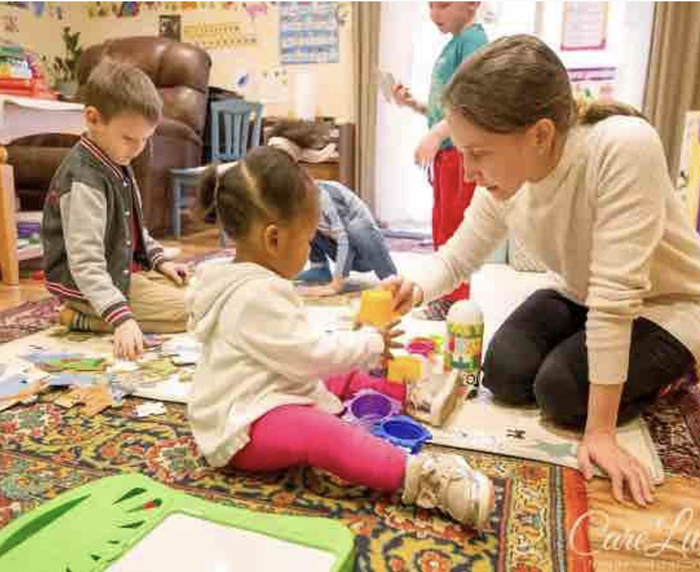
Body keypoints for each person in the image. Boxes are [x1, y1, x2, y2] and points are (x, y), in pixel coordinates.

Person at [384, 35, 700, 507]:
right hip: (581, 293)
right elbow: (458, 256)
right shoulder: (507, 178)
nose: (468, 173)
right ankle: (587, 363)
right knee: (504, 373)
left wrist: (600, 432)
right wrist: (412, 288)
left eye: (478, 154)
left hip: (666, 307)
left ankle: (677, 370)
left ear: (540, 134)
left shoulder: (622, 147)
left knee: (560, 392)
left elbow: (615, 297)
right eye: (463, 153)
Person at [186, 144, 494, 529]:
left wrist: (358, 343)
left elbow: (296, 351)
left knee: (341, 375)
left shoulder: (244, 280)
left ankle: (411, 395)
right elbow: (308, 356)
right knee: (322, 433)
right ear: (273, 239)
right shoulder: (255, 295)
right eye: (308, 239)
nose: (311, 249)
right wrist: (369, 344)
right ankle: (422, 479)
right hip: (243, 427)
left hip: (265, 387)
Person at [42, 59, 188, 360]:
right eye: (129, 138)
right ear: (93, 119)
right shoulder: (85, 179)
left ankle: (104, 311)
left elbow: (135, 230)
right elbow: (85, 263)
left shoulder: (116, 158)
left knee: (200, 291)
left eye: (145, 140)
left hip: (122, 272)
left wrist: (160, 262)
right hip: (88, 285)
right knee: (194, 311)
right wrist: (121, 319)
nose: (137, 149)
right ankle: (81, 317)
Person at [392, 1, 488, 320]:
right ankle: (445, 295)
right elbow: (444, 107)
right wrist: (415, 105)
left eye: (443, 4)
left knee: (454, 226)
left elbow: (472, 101)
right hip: (448, 153)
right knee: (441, 223)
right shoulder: (454, 46)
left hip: (460, 152)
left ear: (472, 3)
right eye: (431, 5)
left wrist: (435, 135)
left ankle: (453, 299)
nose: (435, 14)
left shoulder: (473, 41)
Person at [266, 121, 397, 296]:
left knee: (357, 228)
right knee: (306, 227)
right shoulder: (290, 200)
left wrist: (335, 286)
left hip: (362, 253)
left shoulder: (322, 196)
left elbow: (345, 240)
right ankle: (319, 268)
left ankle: (390, 277)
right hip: (335, 247)